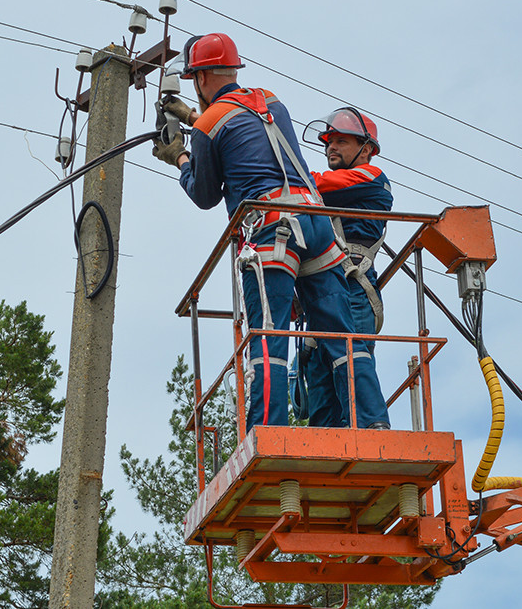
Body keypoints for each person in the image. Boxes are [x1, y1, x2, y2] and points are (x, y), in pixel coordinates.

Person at [152, 33, 384, 431]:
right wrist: (194, 119)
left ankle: (268, 430)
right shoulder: (272, 101)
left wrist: (182, 157)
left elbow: (205, 195)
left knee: (268, 338)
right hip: (315, 224)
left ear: (202, 78)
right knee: (344, 339)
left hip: (270, 230)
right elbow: (246, 130)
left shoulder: (208, 125)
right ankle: (373, 424)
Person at [296, 108, 392, 429]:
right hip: (324, 290)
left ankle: (371, 427)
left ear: (366, 149)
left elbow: (312, 184)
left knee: (351, 354)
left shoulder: (371, 177)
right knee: (321, 367)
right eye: (328, 143)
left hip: (354, 286)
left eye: (340, 141)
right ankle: (325, 443)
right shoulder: (327, 190)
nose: (330, 148)